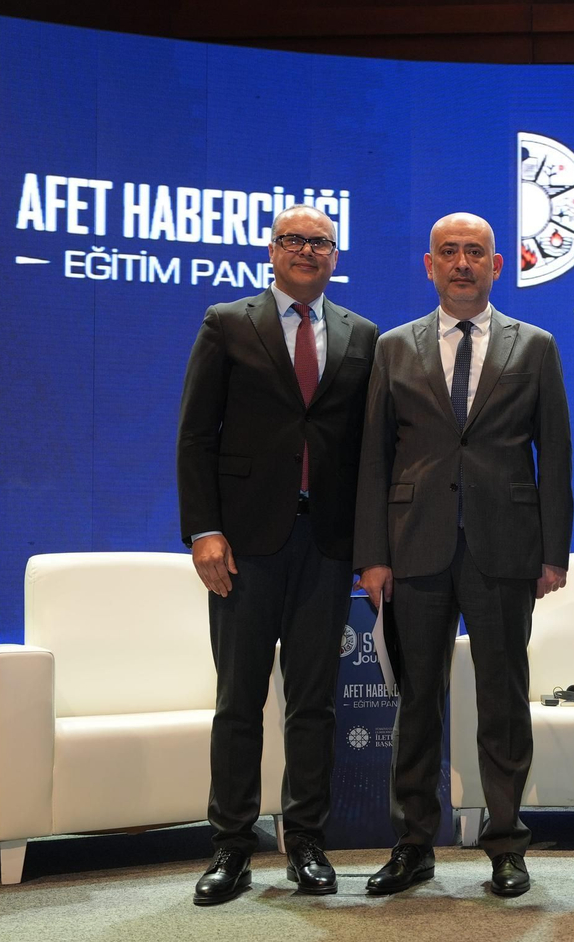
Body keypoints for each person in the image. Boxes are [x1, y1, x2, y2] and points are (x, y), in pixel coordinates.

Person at [355, 212, 573, 898]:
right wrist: (372, 555)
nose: (461, 263)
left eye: (474, 252)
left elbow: (554, 457)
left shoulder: (535, 346)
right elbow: (373, 458)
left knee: (503, 701)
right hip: (413, 547)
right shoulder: (393, 347)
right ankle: (413, 844)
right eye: (448, 252)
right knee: (417, 702)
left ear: (496, 265)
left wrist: (554, 553)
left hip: (505, 548)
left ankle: (505, 844)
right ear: (429, 266)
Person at [177, 204, 379, 905]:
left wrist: (370, 545)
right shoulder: (227, 323)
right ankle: (231, 846)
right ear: (271, 250)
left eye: (319, 242)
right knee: (238, 699)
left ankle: (307, 842)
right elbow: (196, 435)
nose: (306, 251)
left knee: (314, 703)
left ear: (334, 255)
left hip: (326, 543)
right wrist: (203, 529)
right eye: (293, 240)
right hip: (244, 545)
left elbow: (367, 451)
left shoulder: (362, 335)